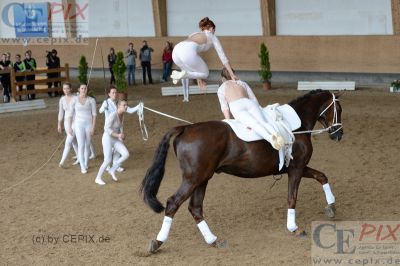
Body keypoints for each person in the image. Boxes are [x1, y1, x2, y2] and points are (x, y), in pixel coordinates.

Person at [217, 67, 284, 150]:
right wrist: (259, 109)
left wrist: (228, 120)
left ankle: (270, 139)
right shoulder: (241, 82)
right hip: (249, 103)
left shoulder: (221, 88)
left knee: (254, 124)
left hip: (236, 106)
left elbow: (225, 107)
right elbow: (253, 99)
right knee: (263, 122)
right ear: (233, 74)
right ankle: (276, 134)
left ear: (222, 78)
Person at [171, 17, 237, 90]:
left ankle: (180, 74)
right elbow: (223, 57)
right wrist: (232, 74)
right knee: (205, 74)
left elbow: (195, 63)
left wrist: (199, 80)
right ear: (212, 29)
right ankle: (183, 75)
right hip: (187, 52)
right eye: (214, 31)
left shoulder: (194, 34)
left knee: (191, 71)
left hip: (176, 51)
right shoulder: (212, 36)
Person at [99, 85, 140, 172]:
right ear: (109, 94)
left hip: (118, 130)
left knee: (118, 150)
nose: (115, 94)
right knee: (109, 150)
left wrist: (139, 106)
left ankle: (115, 165)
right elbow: (100, 111)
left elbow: (130, 110)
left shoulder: (120, 103)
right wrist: (104, 107)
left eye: (115, 92)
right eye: (113, 92)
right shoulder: (106, 102)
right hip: (109, 130)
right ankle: (107, 165)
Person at [95, 100, 130, 185]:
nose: (126, 106)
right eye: (124, 105)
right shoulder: (113, 115)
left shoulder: (122, 115)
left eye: (126, 105)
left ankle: (112, 169)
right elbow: (106, 128)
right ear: (118, 106)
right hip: (107, 138)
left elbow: (120, 126)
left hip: (115, 139)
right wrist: (118, 135)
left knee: (126, 154)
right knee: (107, 160)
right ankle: (98, 178)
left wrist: (122, 134)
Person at [68, 83, 97, 174]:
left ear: (87, 90)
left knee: (87, 144)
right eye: (82, 88)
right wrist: (69, 127)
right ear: (79, 89)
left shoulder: (91, 100)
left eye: (85, 88)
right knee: (81, 145)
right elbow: (70, 114)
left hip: (88, 124)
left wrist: (93, 127)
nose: (83, 90)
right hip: (78, 124)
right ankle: (82, 166)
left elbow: (94, 115)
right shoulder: (74, 100)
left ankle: (86, 163)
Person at [58, 82, 78, 167]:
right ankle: (79, 157)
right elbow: (61, 112)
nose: (66, 90)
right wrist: (59, 124)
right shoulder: (62, 99)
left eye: (67, 88)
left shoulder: (76, 98)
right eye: (64, 88)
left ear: (71, 89)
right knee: (73, 141)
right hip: (66, 122)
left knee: (68, 141)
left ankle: (62, 161)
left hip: (75, 121)